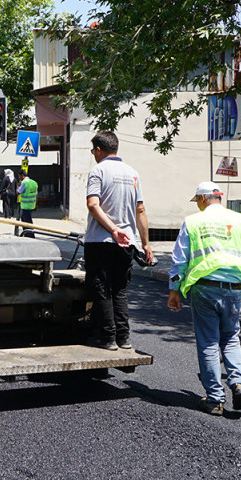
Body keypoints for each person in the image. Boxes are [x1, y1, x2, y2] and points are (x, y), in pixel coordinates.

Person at [167, 181, 241, 415]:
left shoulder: (193, 222)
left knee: (209, 342)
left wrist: (174, 290)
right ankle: (238, 383)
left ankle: (214, 399)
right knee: (231, 337)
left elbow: (179, 259)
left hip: (205, 288)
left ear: (202, 199)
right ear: (218, 197)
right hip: (234, 288)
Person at [82, 131, 154, 350]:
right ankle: (124, 338)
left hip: (101, 241)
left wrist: (113, 230)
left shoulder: (98, 170)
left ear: (99, 150)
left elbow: (93, 204)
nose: (94, 154)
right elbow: (140, 209)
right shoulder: (132, 173)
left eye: (93, 150)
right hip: (127, 243)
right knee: (120, 289)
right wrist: (145, 243)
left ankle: (107, 337)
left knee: (101, 288)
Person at [16, 166, 39, 235]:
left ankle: (29, 234)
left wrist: (18, 186)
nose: (19, 178)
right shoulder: (34, 182)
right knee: (27, 220)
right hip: (32, 205)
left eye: (19, 176)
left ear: (22, 175)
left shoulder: (24, 183)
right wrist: (36, 205)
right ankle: (28, 233)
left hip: (25, 206)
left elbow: (18, 192)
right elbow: (36, 195)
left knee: (26, 221)